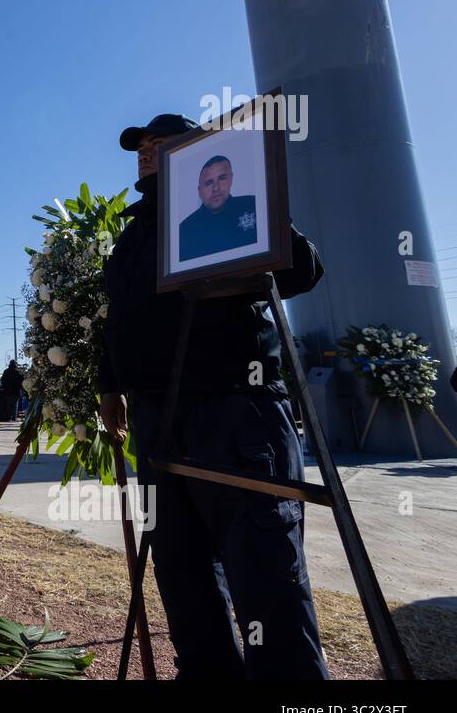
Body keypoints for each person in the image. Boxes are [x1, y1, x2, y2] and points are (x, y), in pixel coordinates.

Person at [99, 112, 328, 680]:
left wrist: (265, 212)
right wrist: (110, 388)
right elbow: (118, 320)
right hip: (157, 415)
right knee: (180, 565)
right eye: (140, 147)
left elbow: (304, 271)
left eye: (159, 144)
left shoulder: (233, 207)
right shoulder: (133, 234)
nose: (145, 152)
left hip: (235, 409)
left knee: (263, 569)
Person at [178, 154, 260, 262]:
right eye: (209, 183)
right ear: (199, 190)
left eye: (222, 178)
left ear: (231, 179)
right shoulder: (184, 230)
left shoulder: (254, 205)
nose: (216, 188)